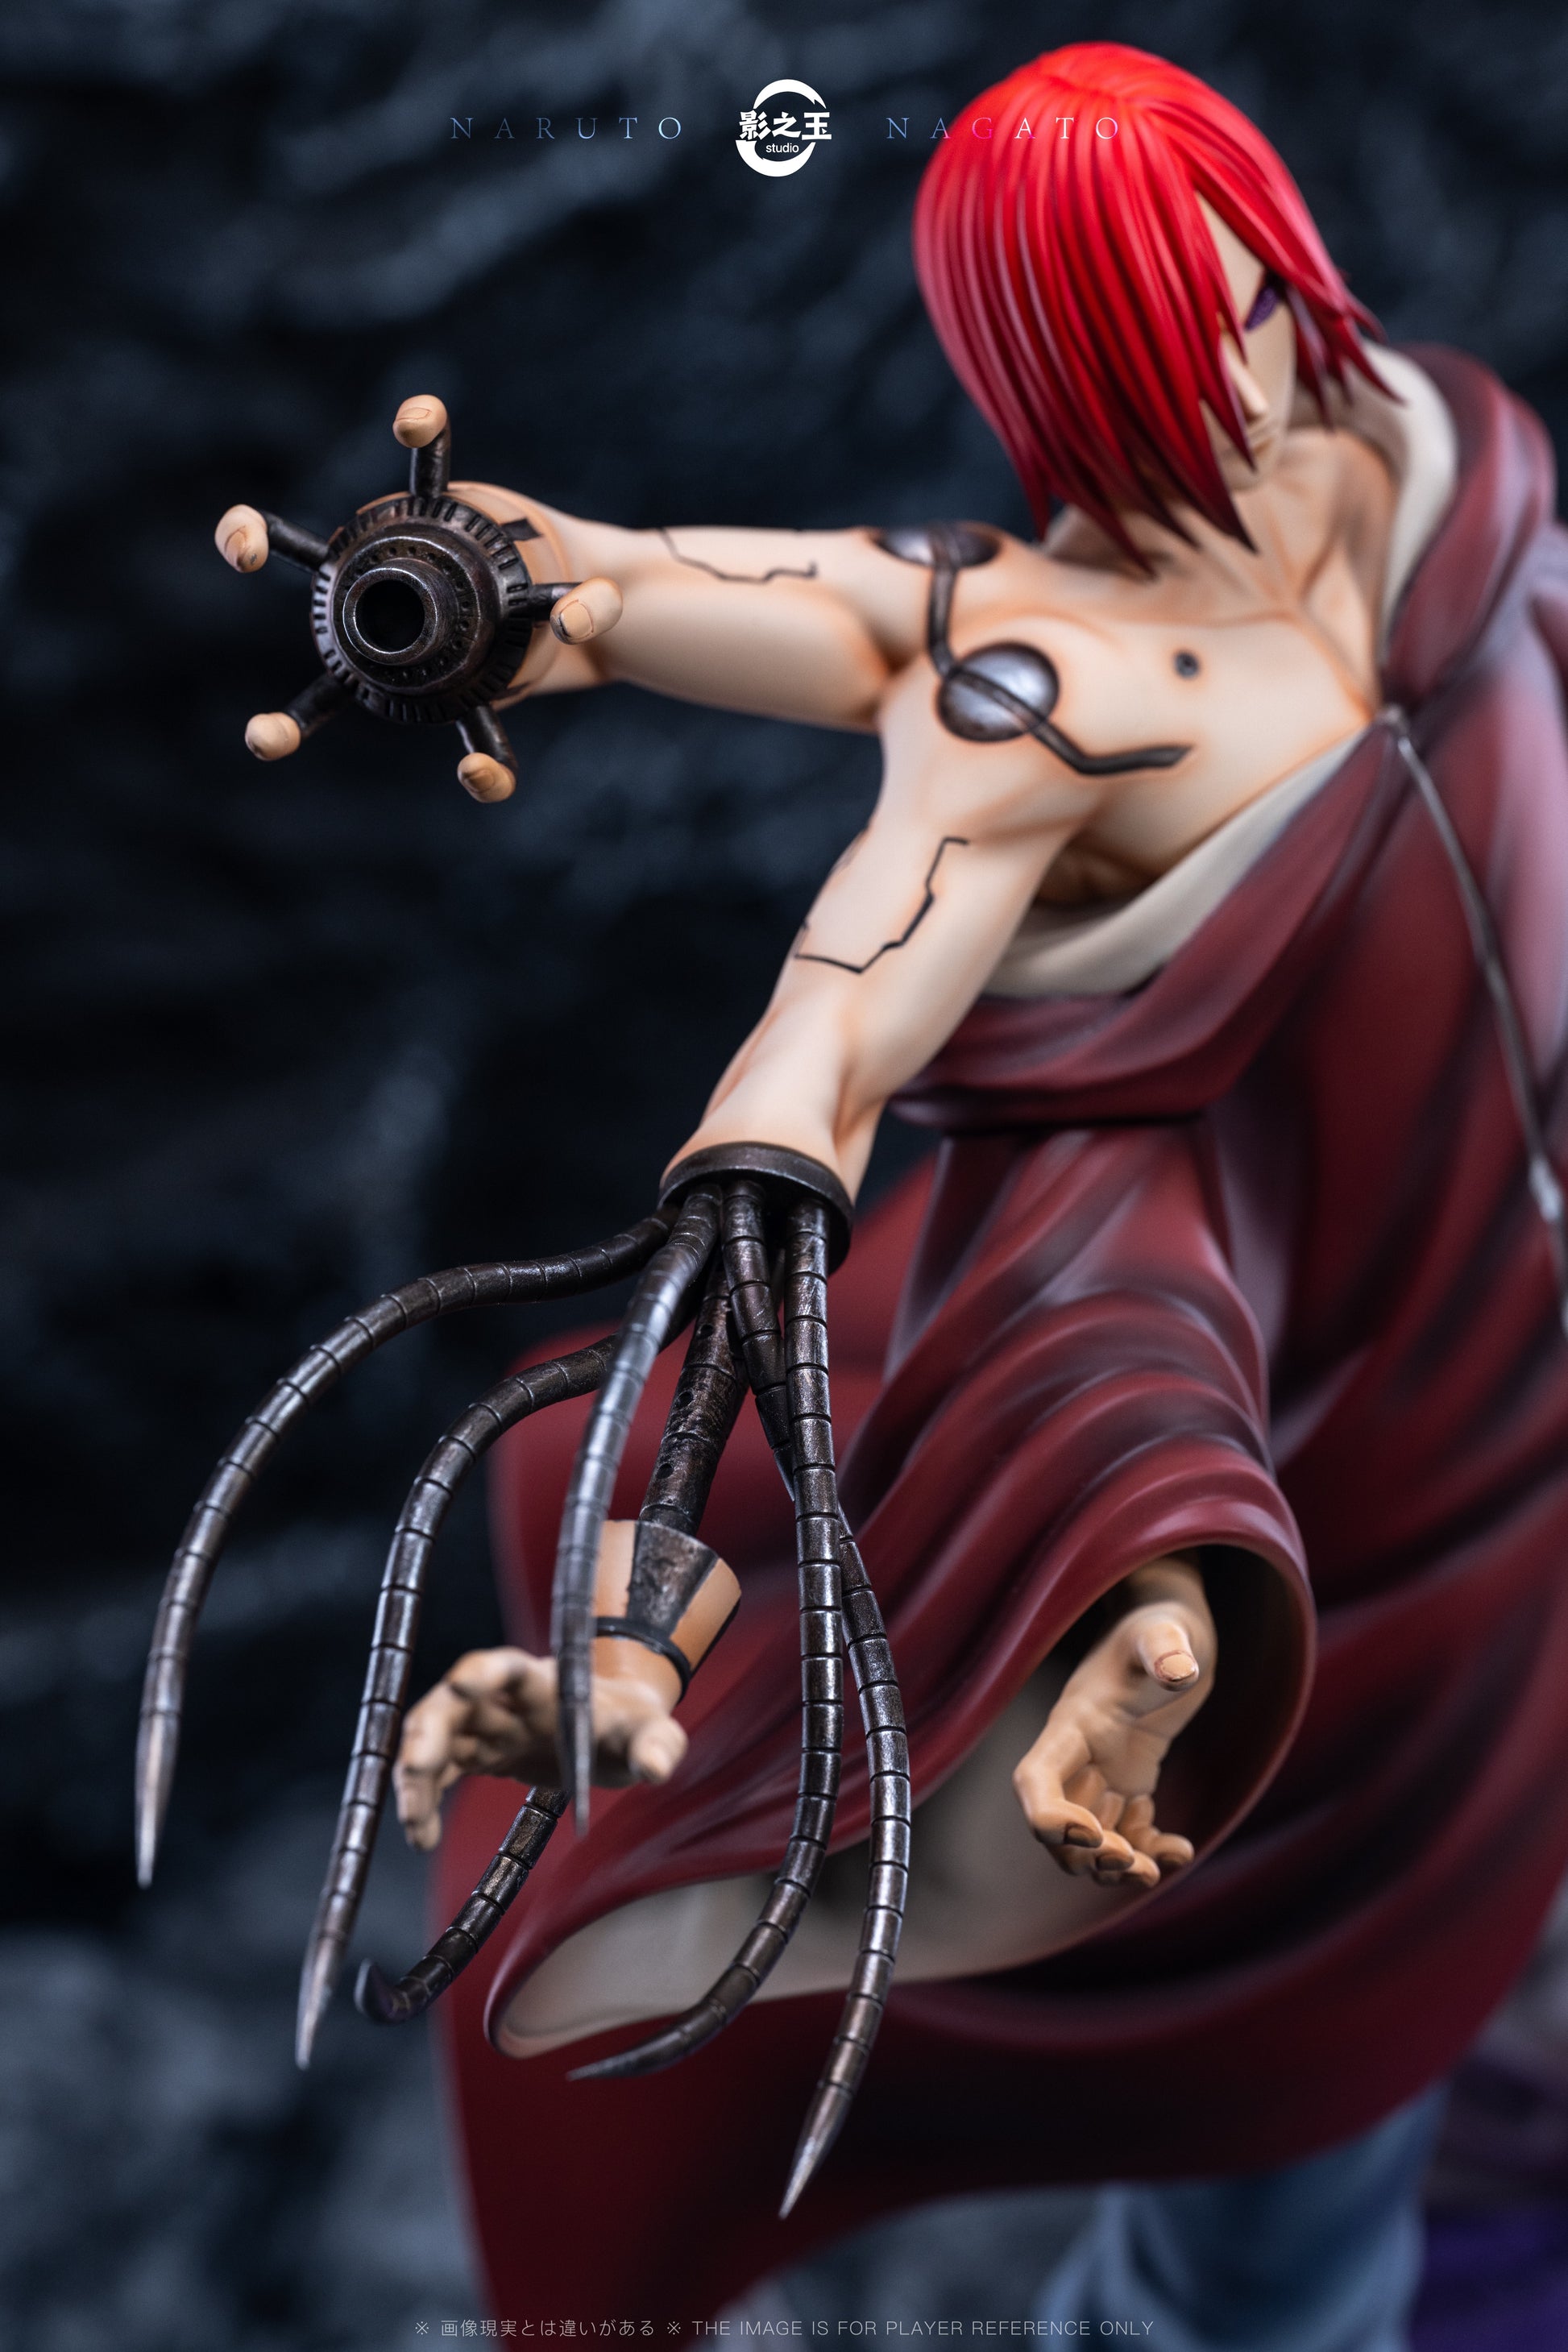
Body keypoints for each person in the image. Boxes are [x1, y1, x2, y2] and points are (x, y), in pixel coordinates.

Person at [234, 43, 1568, 2346]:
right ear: (1058, 367)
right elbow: (819, 715)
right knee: (1286, 2148)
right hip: (1331, 1460)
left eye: (1260, 300)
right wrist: (521, 594)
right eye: (1171, 342)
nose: (1255, 378)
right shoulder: (1040, 677)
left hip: (1511, 1376)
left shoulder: (1442, 463)